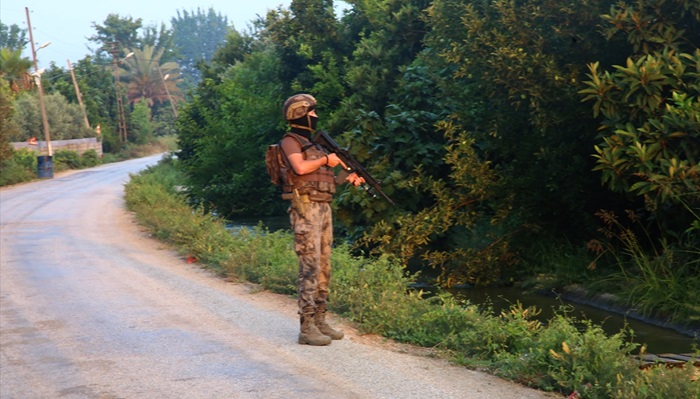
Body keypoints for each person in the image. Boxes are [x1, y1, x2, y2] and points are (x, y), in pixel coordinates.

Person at [278, 94, 364, 346]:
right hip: (305, 208)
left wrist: (345, 177)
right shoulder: (290, 141)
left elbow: (323, 178)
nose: (315, 118)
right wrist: (328, 159)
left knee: (324, 266)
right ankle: (306, 328)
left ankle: (320, 320)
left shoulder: (316, 146)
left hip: (323, 208)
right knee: (310, 266)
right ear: (301, 114)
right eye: (312, 113)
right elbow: (301, 169)